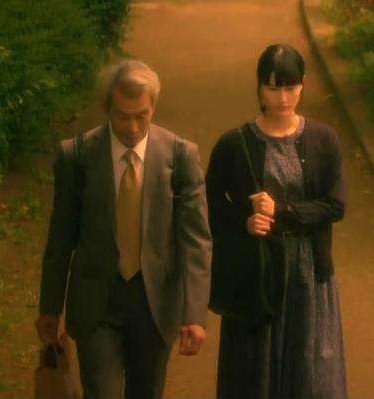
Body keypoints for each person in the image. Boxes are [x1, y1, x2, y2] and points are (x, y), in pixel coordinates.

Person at [36, 59, 212, 399]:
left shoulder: (180, 157)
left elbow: (196, 241)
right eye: (122, 116)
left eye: (141, 116)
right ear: (107, 109)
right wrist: (50, 306)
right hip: (96, 304)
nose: (132, 127)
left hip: (154, 304)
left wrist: (194, 314)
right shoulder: (77, 156)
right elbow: (61, 236)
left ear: (153, 108)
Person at [206, 43, 348, 399]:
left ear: (303, 83)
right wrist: (244, 222)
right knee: (254, 371)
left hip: (309, 273)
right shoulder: (234, 144)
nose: (282, 98)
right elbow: (207, 206)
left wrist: (281, 210)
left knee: (310, 370)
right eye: (272, 88)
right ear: (259, 87)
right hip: (258, 272)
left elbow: (335, 205)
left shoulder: (324, 140)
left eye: (290, 87)